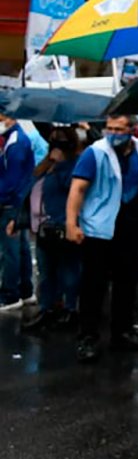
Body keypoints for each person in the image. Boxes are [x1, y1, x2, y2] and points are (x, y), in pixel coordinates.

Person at [67, 114, 138, 363]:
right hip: (98, 227)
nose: (113, 133)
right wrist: (71, 224)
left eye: (119, 129)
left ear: (132, 130)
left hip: (131, 225)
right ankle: (88, 337)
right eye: (110, 128)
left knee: (127, 282)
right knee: (93, 284)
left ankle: (123, 332)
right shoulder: (95, 153)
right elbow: (78, 189)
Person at [21, 126, 83, 332]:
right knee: (46, 272)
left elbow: (73, 190)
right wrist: (20, 220)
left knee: (69, 271)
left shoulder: (72, 166)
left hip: (62, 225)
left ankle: (70, 309)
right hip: (42, 227)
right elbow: (31, 192)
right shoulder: (44, 166)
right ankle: (47, 308)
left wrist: (61, 165)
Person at [0, 112, 36, 313]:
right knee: (20, 248)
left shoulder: (15, 143)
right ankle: (25, 291)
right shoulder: (13, 139)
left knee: (9, 251)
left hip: (11, 203)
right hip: (18, 201)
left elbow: (11, 180)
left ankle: (9, 295)